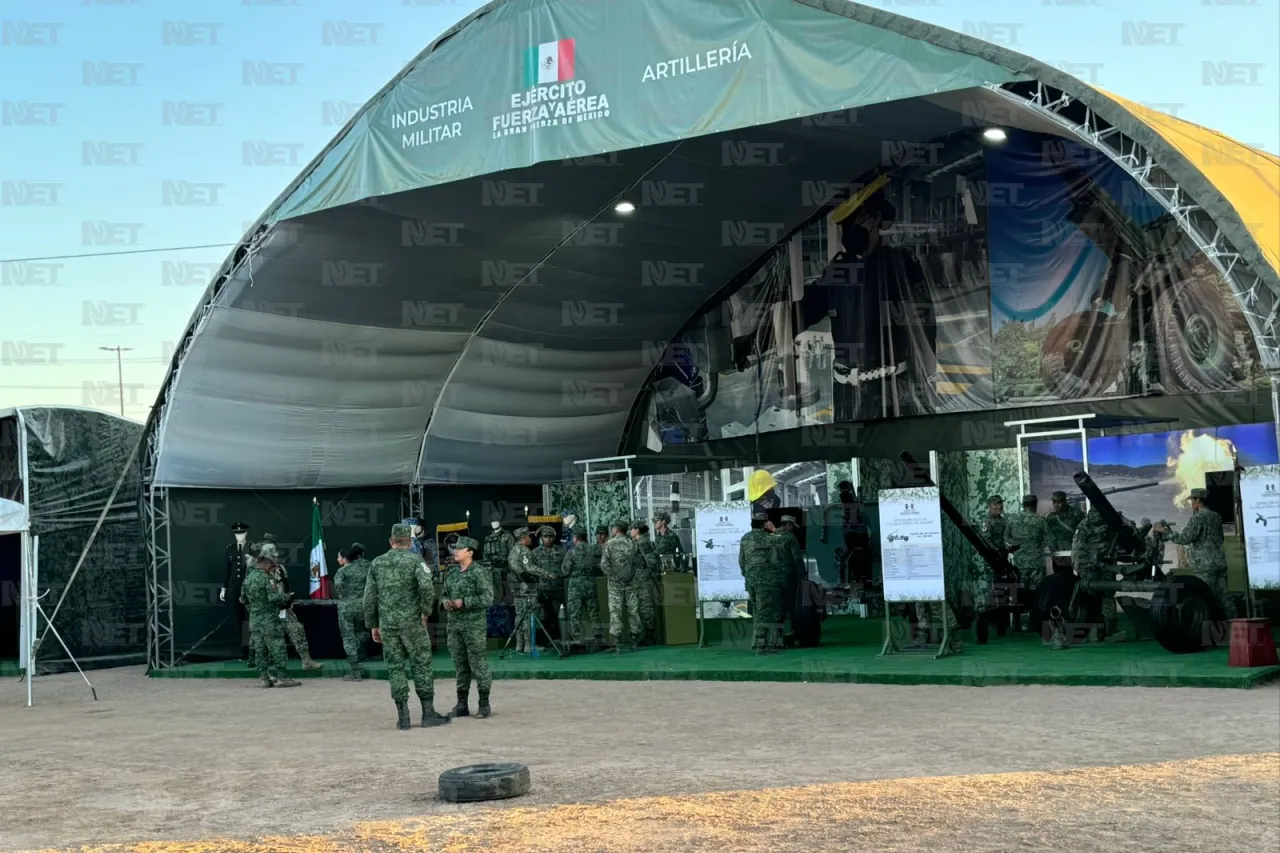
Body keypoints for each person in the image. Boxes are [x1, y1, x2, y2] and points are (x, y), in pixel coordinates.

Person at [364, 523, 451, 730]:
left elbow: (368, 598)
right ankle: (428, 713)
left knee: (395, 669)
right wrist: (425, 613)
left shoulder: (377, 563)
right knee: (420, 665)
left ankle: (403, 717)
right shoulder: (415, 560)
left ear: (390, 542)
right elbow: (427, 587)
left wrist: (374, 624)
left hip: (388, 626)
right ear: (410, 542)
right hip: (412, 624)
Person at [1153, 488, 1234, 618]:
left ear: (1198, 500)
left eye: (1192, 501)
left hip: (1204, 566)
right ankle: (1235, 627)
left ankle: (1211, 631)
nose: (1191, 504)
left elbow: (1185, 538)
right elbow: (1220, 539)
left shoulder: (1198, 518)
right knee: (1225, 599)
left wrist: (1164, 531)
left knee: (1206, 599)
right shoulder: (1216, 516)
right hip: (1219, 562)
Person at [441, 536, 495, 719]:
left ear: (470, 552)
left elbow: (487, 598)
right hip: (454, 626)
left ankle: (483, 704)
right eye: (455, 548)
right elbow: (443, 594)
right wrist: (445, 603)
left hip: (474, 626)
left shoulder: (479, 572)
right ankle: (462, 704)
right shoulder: (452, 573)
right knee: (460, 665)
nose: (455, 551)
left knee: (478, 664)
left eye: (460, 548)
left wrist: (464, 602)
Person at [257, 536, 321, 671]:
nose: (275, 559)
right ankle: (266, 669)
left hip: (284, 609)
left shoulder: (280, 569)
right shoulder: (258, 573)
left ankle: (306, 661)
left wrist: (289, 603)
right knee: (266, 640)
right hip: (268, 612)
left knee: (297, 630)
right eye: (272, 556)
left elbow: (286, 586)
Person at [240, 550, 300, 688]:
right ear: (267, 566)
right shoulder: (267, 578)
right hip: (269, 620)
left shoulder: (247, 579)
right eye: (272, 567)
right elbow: (273, 597)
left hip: (255, 620)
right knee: (277, 647)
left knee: (260, 649)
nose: (272, 570)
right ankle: (282, 678)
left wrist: (255, 609)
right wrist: (286, 596)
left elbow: (243, 599)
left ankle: (264, 678)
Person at [1069, 508, 1122, 645]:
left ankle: (1100, 631)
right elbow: (1078, 550)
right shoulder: (1094, 524)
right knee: (1104, 595)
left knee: (1097, 595)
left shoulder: (1085, 524)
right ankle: (1108, 630)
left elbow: (1077, 550)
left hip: (1094, 563)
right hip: (1096, 563)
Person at [739, 512, 785, 654]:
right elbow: (783, 542)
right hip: (765, 581)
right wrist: (774, 530)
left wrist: (747, 575)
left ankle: (757, 642)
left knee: (759, 611)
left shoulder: (745, 538)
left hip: (751, 580)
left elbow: (741, 561)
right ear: (764, 523)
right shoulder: (770, 538)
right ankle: (761, 645)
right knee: (764, 612)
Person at [1005, 495, 1050, 632]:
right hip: (1036, 563)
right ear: (1035, 505)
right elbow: (1048, 540)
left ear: (1023, 504)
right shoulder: (1040, 521)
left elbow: (1006, 539)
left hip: (1019, 563)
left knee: (1018, 591)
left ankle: (1017, 622)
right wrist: (1036, 547)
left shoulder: (1012, 520)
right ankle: (1034, 622)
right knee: (1038, 592)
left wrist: (1019, 548)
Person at [600, 519, 643, 652]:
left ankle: (617, 642)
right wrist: (630, 577)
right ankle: (634, 640)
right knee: (633, 610)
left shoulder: (609, 544)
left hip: (615, 585)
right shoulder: (633, 544)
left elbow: (604, 565)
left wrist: (615, 578)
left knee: (615, 611)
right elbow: (639, 563)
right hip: (631, 583)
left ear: (617, 529)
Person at [333, 543, 371, 680]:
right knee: (362, 632)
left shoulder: (342, 571)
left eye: (338, 557)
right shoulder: (364, 569)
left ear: (344, 558)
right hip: (362, 606)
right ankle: (360, 655)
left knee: (348, 637)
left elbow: (338, 586)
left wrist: (344, 596)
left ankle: (355, 671)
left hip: (347, 607)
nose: (337, 559)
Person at [562, 527, 601, 644]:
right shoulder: (593, 551)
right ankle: (598, 637)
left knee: (575, 615)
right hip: (590, 586)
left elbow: (565, 570)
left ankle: (577, 640)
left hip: (575, 588)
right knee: (593, 614)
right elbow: (599, 569)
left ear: (575, 538)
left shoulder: (571, 552)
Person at [220, 521, 252, 662]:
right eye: (237, 533)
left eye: (242, 533)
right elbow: (228, 571)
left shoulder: (252, 548)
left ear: (246, 533)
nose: (240, 536)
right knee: (240, 621)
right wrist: (224, 588)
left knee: (251, 621)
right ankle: (244, 651)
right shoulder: (230, 549)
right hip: (235, 590)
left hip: (250, 590)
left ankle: (255, 651)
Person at [532, 525, 566, 644]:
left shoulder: (560, 550)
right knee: (544, 616)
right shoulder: (535, 552)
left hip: (558, 587)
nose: (548, 539)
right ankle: (545, 641)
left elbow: (565, 567)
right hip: (543, 588)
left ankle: (560, 638)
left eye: (551, 537)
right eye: (546, 537)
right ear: (542, 538)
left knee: (559, 614)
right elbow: (533, 570)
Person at [508, 527, 539, 653]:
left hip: (516, 587)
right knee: (529, 615)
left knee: (519, 615)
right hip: (527, 585)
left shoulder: (512, 552)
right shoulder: (524, 551)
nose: (530, 538)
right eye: (529, 536)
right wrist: (547, 574)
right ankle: (529, 645)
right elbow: (530, 569)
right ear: (524, 537)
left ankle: (519, 644)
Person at [775, 515, 805, 644]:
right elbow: (797, 557)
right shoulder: (789, 537)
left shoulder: (769, 536)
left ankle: (778, 637)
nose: (792, 528)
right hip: (788, 577)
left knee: (776, 607)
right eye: (792, 525)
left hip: (772, 577)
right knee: (792, 606)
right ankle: (793, 634)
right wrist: (802, 574)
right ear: (787, 524)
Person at [630, 520, 660, 645]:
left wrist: (648, 576)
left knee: (646, 607)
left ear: (637, 530)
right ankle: (647, 634)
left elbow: (651, 562)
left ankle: (650, 635)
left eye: (632, 529)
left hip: (643, 580)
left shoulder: (643, 543)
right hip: (639, 579)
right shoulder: (638, 543)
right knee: (642, 607)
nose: (630, 531)